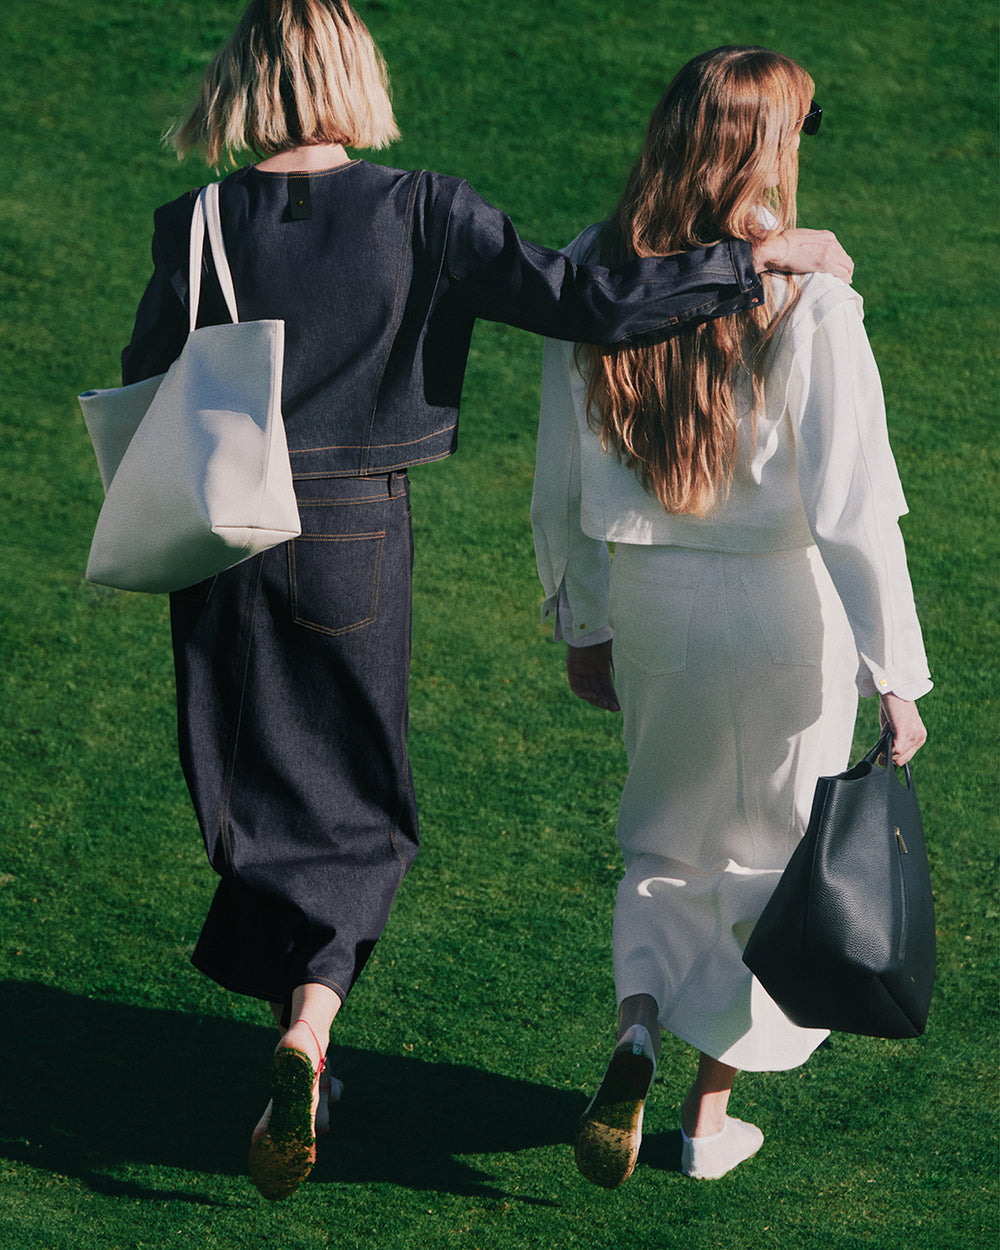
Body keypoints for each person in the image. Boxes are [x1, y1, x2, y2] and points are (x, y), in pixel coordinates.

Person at [120, 4, 853, 1200]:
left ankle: (303, 1035)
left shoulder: (198, 219)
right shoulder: (425, 207)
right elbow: (589, 304)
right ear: (355, 75)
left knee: (252, 791)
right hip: (356, 532)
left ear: (244, 79)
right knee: (360, 804)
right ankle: (309, 1027)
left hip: (216, 538)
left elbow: (149, 376)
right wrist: (750, 260)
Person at [531, 45, 930, 1189]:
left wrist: (584, 623)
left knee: (662, 841)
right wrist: (889, 669)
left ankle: (636, 1027)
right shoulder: (813, 297)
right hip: (777, 602)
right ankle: (707, 1125)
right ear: (763, 145)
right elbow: (854, 504)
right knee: (771, 860)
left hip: (654, 602)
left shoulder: (589, 274)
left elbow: (559, 480)